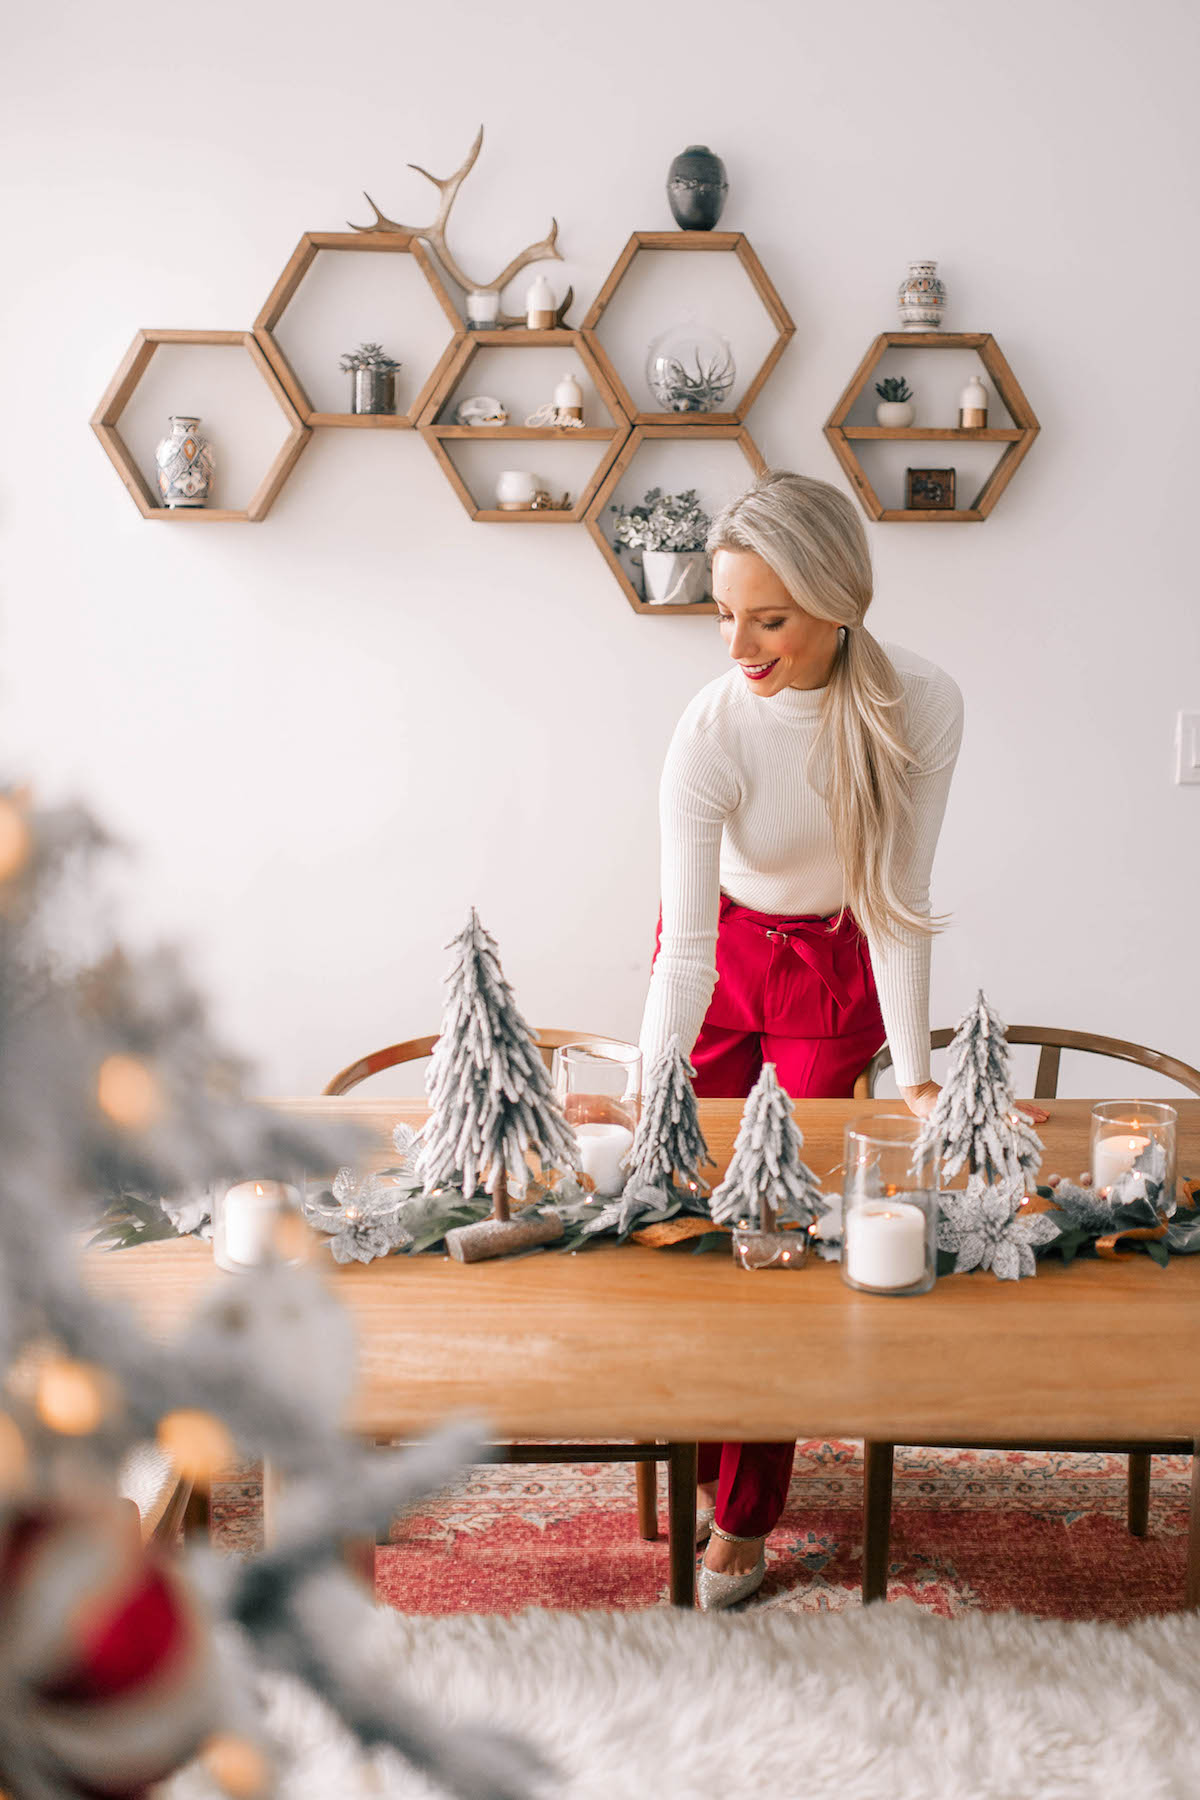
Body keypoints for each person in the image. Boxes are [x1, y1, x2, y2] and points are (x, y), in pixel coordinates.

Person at [638, 470, 964, 1610]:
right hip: (719, 958)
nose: (740, 643)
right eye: (723, 613)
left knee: (776, 1225)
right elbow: (682, 950)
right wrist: (650, 1092)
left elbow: (897, 900)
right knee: (681, 1204)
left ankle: (744, 1513)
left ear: (836, 602)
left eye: (767, 617)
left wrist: (917, 1077)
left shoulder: (921, 702)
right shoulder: (711, 727)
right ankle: (689, 1428)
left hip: (836, 963)